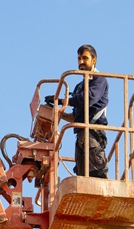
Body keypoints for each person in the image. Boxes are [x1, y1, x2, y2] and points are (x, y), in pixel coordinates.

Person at [46, 45, 109, 178]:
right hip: (81, 136)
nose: (81, 62)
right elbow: (76, 116)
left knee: (97, 176)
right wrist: (58, 112)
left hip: (93, 133)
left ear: (94, 60)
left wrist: (64, 101)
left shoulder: (99, 79)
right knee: (83, 178)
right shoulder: (79, 86)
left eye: (85, 58)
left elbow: (88, 99)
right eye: (79, 58)